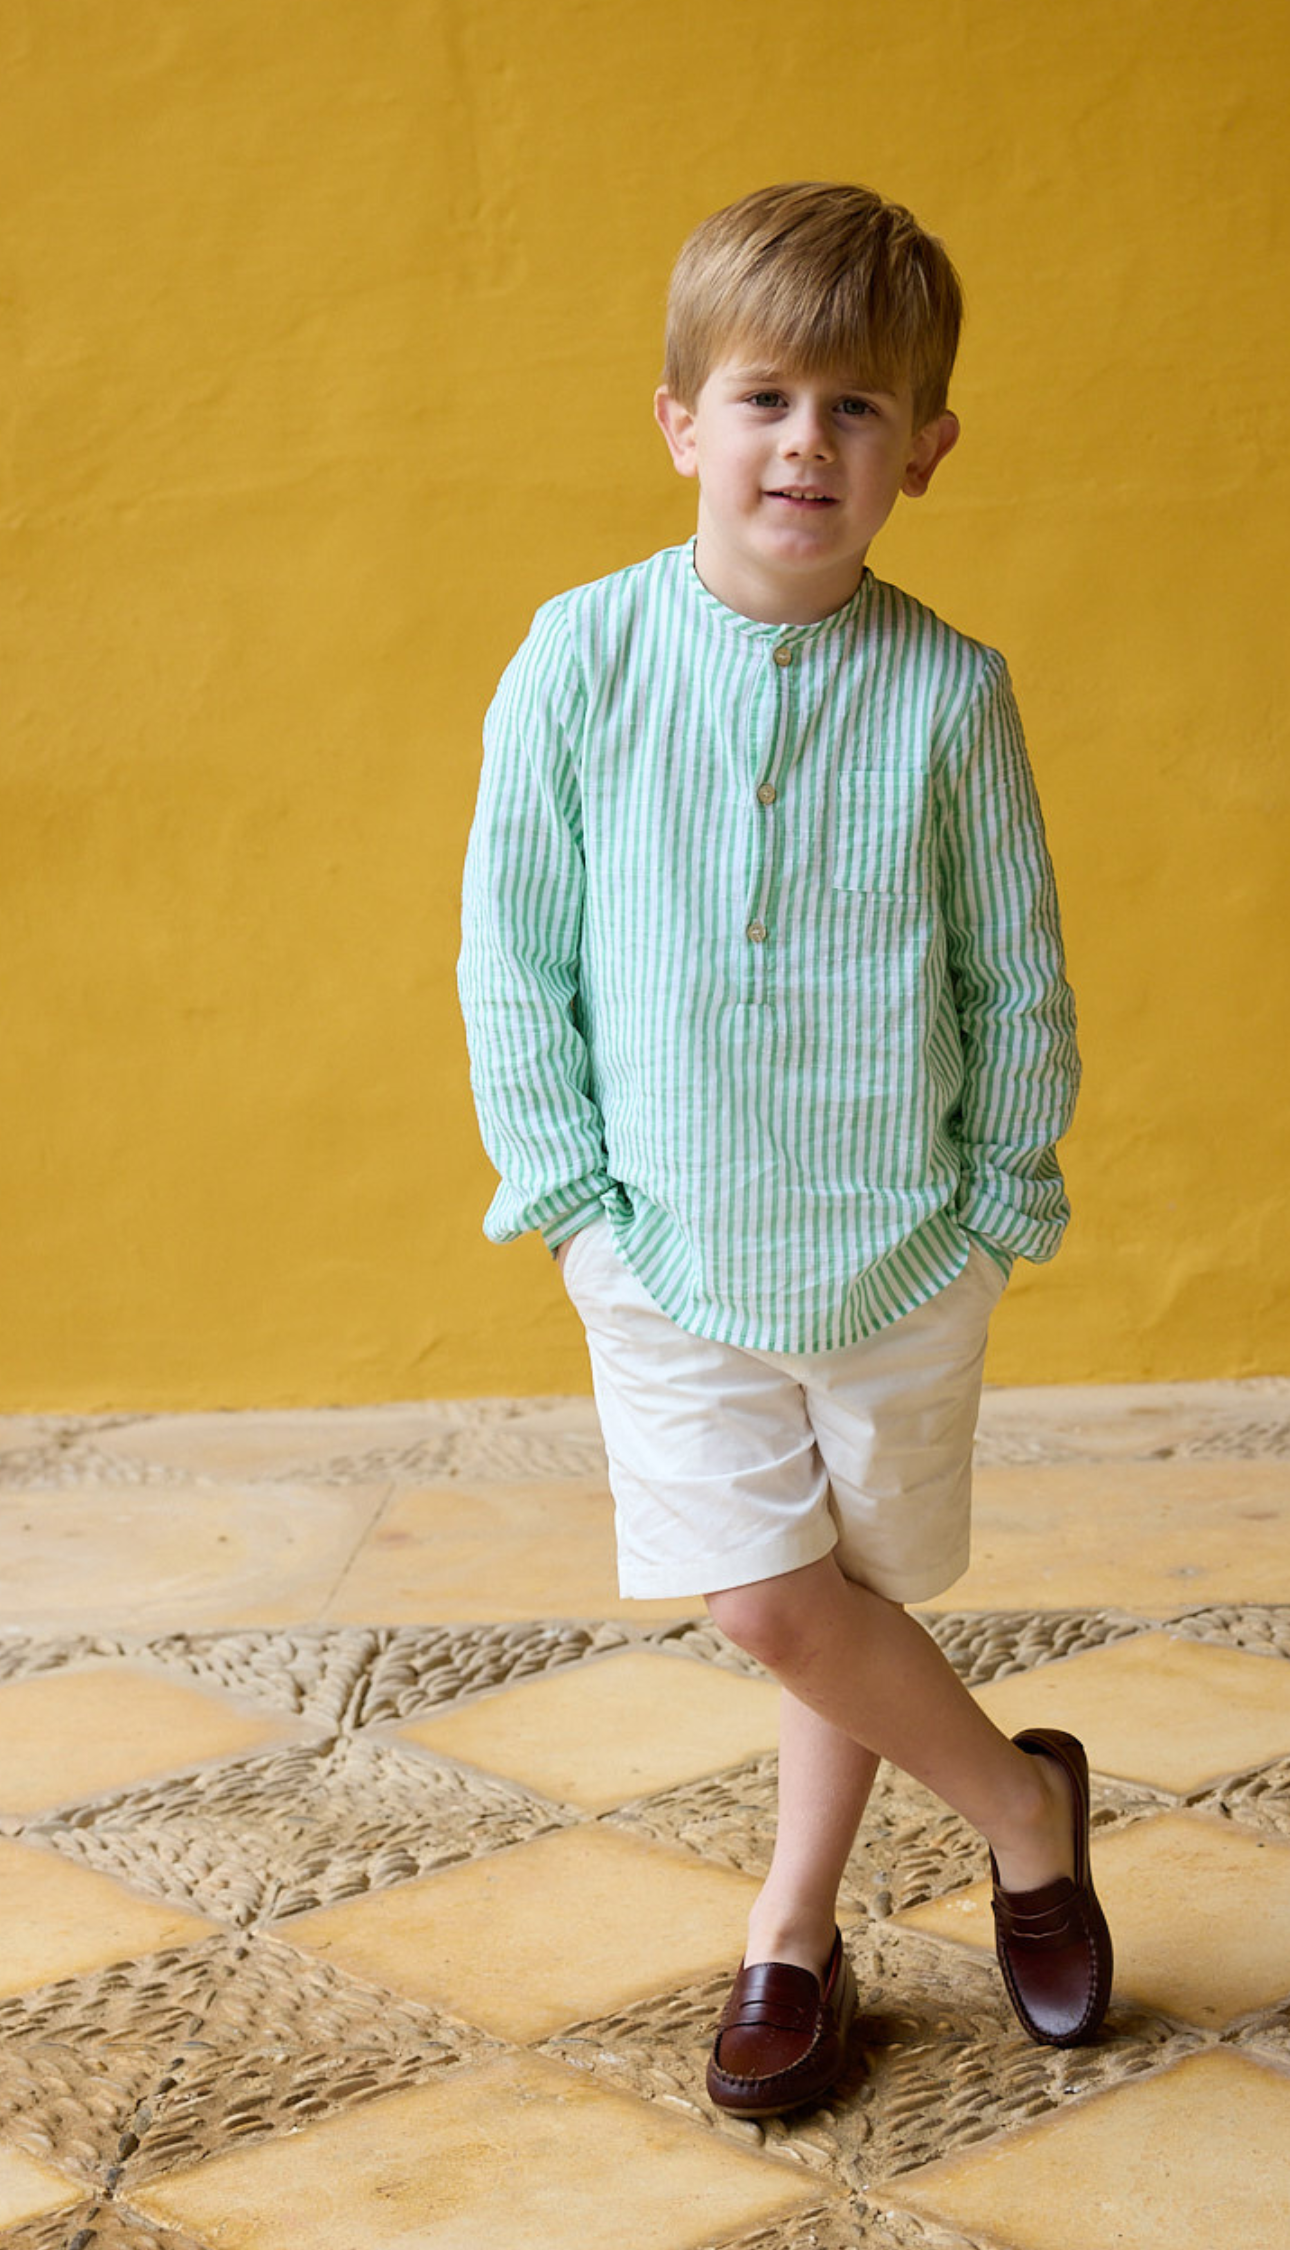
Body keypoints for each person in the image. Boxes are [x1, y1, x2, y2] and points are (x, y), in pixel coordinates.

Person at [458, 181, 1108, 2117]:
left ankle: (792, 1937)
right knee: (768, 1595)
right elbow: (515, 952)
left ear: (927, 448)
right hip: (663, 1243)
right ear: (680, 419)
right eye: (763, 398)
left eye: (855, 410)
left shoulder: (949, 694)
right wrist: (576, 1211)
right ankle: (1021, 1810)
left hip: (901, 1249)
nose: (805, 444)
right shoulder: (579, 661)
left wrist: (993, 1208)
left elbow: (1021, 976)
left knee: (847, 1603)